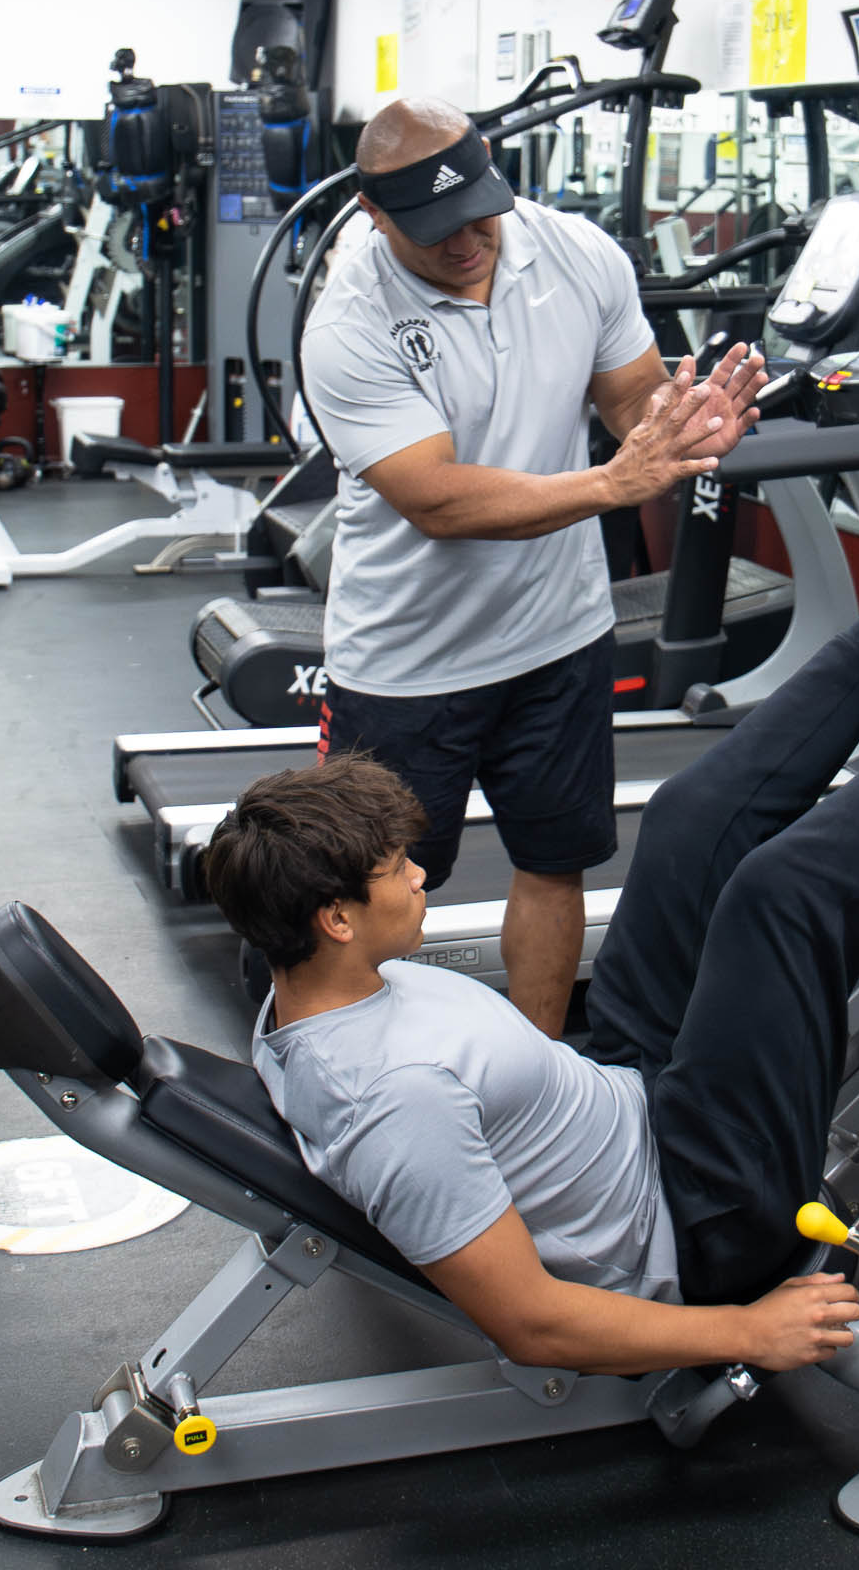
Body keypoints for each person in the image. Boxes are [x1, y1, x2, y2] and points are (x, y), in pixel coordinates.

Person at [202, 456, 859, 1373]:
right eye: (396, 873)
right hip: (701, 1218)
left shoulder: (307, 988)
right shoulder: (397, 1110)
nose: (422, 880)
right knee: (779, 895)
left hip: (631, 1095)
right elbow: (534, 1323)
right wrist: (747, 1332)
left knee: (687, 827)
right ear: (336, 919)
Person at [298, 94, 768, 1042]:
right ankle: (349, 1089)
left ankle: (541, 1077)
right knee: (364, 898)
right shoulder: (347, 321)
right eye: (436, 230)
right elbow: (437, 500)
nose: (470, 241)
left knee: (557, 864)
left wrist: (675, 427)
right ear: (376, 218)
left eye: (481, 211)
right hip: (407, 664)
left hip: (559, 639)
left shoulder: (575, 253)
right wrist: (614, 482)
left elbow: (630, 394)